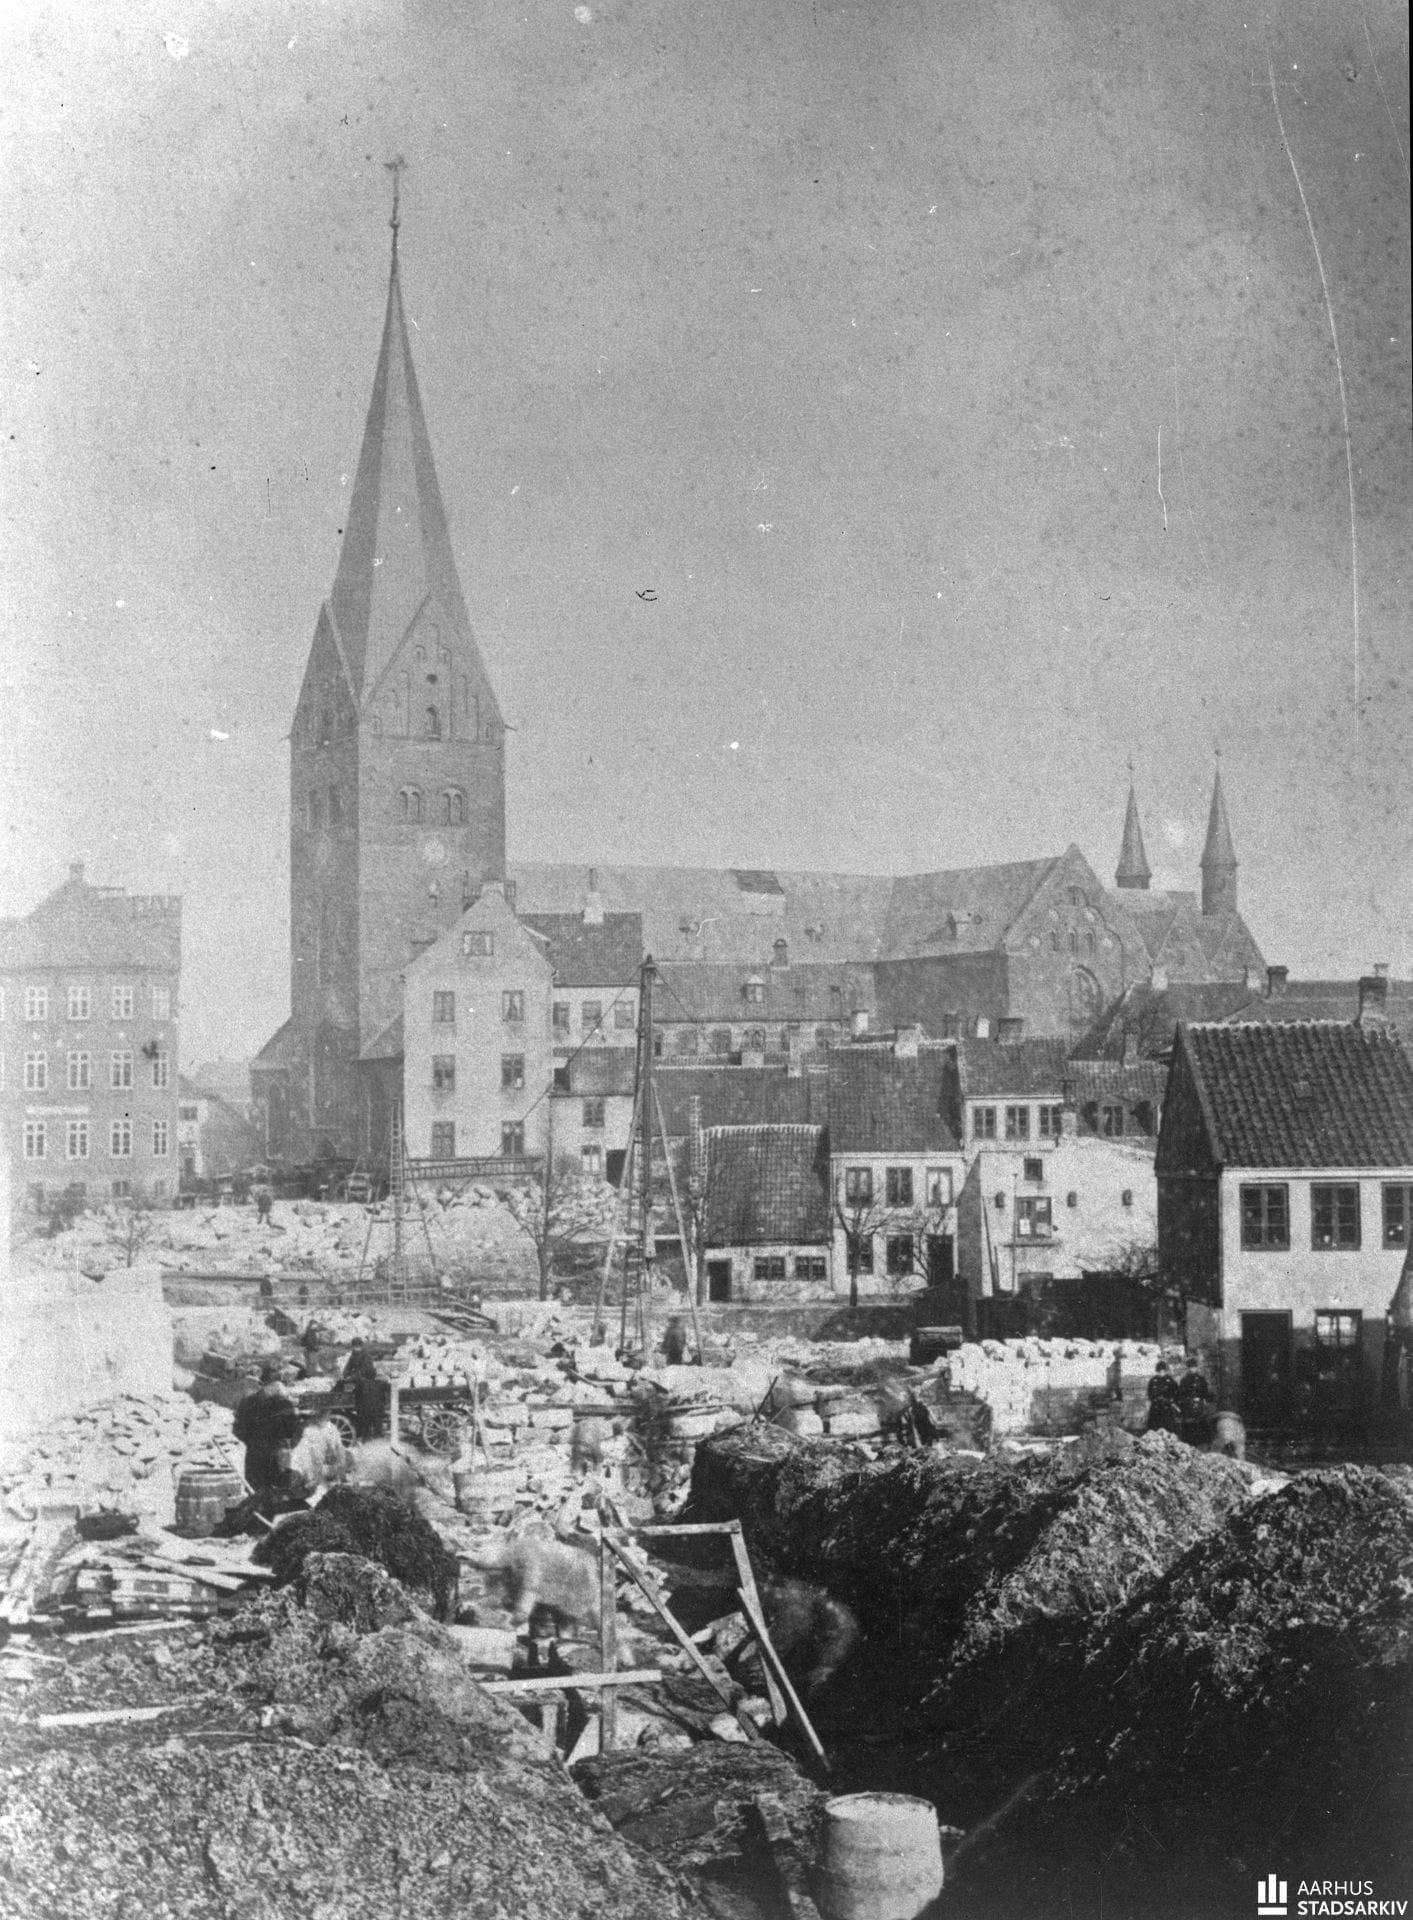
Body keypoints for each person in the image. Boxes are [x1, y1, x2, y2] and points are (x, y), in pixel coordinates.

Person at [232, 1363, 303, 1506]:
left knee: (254, 1494)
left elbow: (237, 1430)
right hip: (276, 1457)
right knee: (276, 1496)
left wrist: (251, 1442)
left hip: (253, 1455)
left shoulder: (248, 1401)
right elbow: (294, 1432)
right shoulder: (285, 1405)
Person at [341, 1338, 385, 1441]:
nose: (355, 1348)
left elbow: (366, 1370)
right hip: (360, 1380)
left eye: (357, 1346)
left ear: (361, 1346)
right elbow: (348, 1366)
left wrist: (353, 1376)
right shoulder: (353, 1355)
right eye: (354, 1346)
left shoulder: (366, 1356)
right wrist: (345, 1374)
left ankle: (372, 1440)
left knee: (370, 1424)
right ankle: (372, 1439)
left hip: (364, 1379)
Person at [1177, 1354, 1215, 1445]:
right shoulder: (1184, 1380)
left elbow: (1206, 1392)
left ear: (1197, 1368)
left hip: (1200, 1406)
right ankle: (1190, 1443)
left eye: (1194, 1367)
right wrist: (1187, 1401)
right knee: (1189, 1426)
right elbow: (1181, 1394)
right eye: (1190, 1367)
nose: (1192, 1369)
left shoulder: (1201, 1379)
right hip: (1189, 1407)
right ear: (1188, 1368)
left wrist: (1205, 1400)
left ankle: (1203, 1443)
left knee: (1202, 1424)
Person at [1145, 1360, 1181, 1435]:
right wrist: (1154, 1400)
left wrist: (1172, 1401)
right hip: (1155, 1409)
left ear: (1165, 1371)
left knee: (1168, 1429)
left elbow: (1176, 1393)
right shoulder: (1153, 1381)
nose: (1161, 1373)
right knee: (1154, 1429)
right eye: (1159, 1371)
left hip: (1166, 1408)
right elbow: (1150, 1393)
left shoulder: (1170, 1380)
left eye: (1163, 1371)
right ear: (1157, 1371)